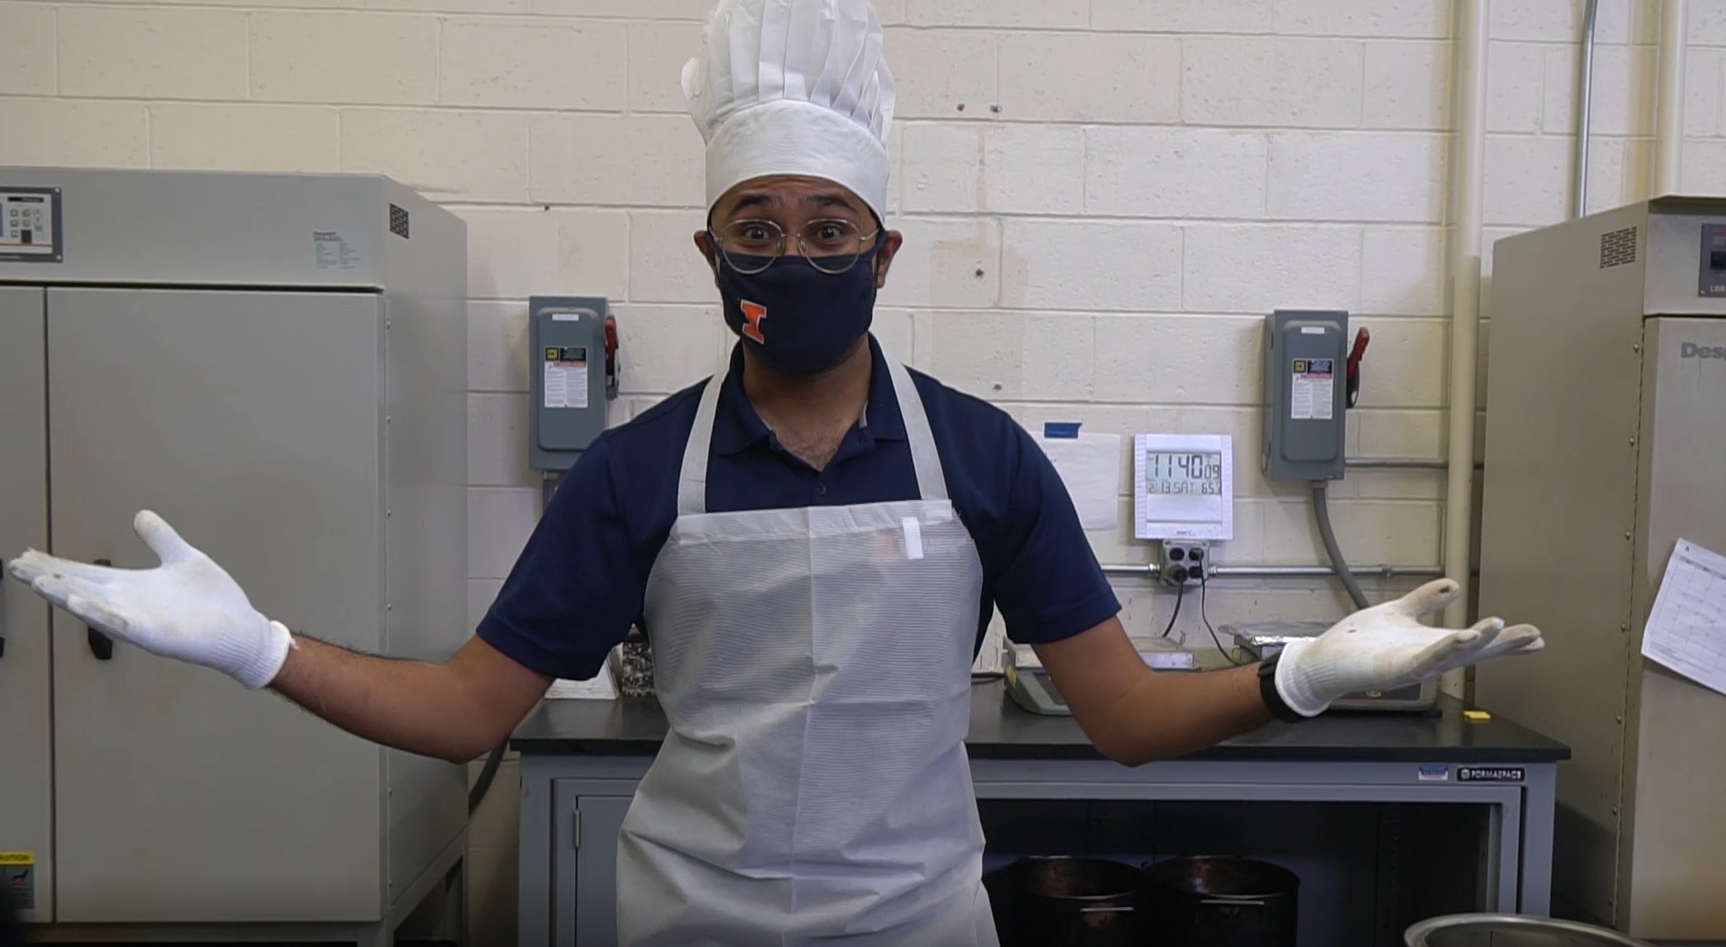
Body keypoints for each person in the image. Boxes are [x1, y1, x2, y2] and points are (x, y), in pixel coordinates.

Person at [5, 1, 1544, 944]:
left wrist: (1305, 677)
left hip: (920, 926)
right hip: (692, 923)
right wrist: (254, 642)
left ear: (881, 252)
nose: (791, 258)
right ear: (707, 250)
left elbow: (1125, 719)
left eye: (827, 230)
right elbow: (467, 707)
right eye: (758, 229)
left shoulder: (983, 455)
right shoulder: (634, 470)